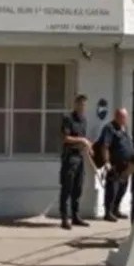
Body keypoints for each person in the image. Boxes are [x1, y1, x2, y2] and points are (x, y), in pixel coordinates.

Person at [58, 94, 92, 230]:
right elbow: (65, 138)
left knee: (78, 188)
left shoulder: (84, 120)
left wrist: (88, 146)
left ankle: (75, 216)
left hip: (80, 156)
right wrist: (82, 140)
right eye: (81, 104)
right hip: (70, 157)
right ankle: (64, 218)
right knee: (67, 187)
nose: (83, 107)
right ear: (76, 104)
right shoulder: (68, 119)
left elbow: (83, 139)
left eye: (84, 105)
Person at [98, 108, 134, 222]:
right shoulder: (110, 128)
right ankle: (108, 212)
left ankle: (116, 209)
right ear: (117, 116)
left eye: (125, 117)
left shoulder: (124, 129)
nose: (125, 119)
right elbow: (105, 146)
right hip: (114, 165)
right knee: (112, 189)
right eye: (123, 117)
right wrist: (106, 162)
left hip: (125, 165)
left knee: (122, 189)